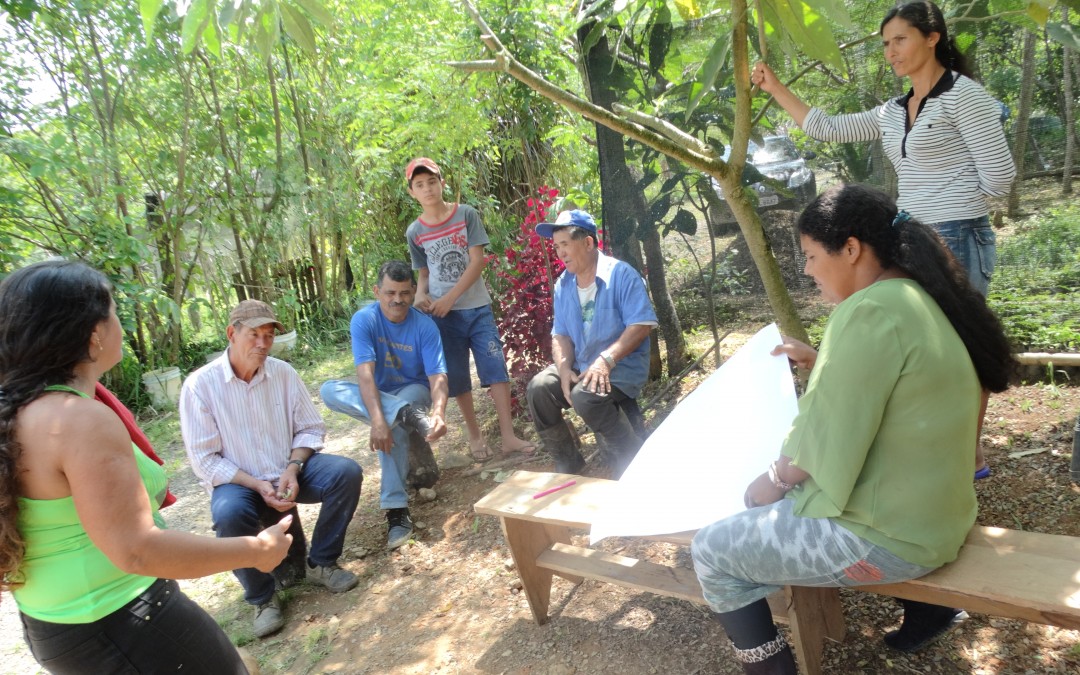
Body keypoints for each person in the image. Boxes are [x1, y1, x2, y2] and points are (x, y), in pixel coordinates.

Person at [690, 185, 1014, 674]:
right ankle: (928, 615)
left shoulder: (868, 310)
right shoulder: (919, 298)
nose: (807, 271)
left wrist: (772, 483)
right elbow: (902, 391)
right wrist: (822, 362)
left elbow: (822, 439)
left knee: (711, 551)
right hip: (941, 516)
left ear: (851, 249)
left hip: (892, 538)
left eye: (810, 256)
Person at [1, 260, 292, 674]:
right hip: (121, 618)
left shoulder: (23, 411)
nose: (120, 323)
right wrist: (255, 551)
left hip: (59, 623)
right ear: (94, 334)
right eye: (115, 311)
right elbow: (137, 550)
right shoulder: (77, 420)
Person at [180, 299, 363, 639]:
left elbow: (310, 428)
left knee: (346, 473)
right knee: (228, 514)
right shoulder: (199, 386)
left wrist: (292, 468)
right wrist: (256, 484)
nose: (263, 344)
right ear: (231, 334)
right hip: (239, 481)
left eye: (268, 335)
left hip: (288, 469)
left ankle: (321, 562)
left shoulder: (283, 373)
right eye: (254, 335)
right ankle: (263, 598)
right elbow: (205, 459)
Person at [404, 157, 534, 461]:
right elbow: (423, 274)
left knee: (495, 369)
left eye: (432, 182)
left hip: (477, 308)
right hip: (442, 317)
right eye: (419, 185)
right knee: (458, 378)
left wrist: (451, 297)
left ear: (442, 183)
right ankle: (475, 438)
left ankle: (508, 436)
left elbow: (478, 261)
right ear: (412, 192)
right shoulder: (414, 232)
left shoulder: (465, 215)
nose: (427, 189)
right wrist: (421, 296)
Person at [319, 261, 449, 551]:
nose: (398, 300)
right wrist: (379, 419)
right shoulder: (364, 320)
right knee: (328, 390)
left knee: (398, 425)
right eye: (390, 292)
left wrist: (438, 411)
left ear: (413, 291)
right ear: (377, 291)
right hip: (380, 394)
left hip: (414, 390)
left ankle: (396, 511)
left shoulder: (424, 326)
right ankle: (402, 413)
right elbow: (364, 375)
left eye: (404, 293)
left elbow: (437, 376)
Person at [526, 209, 658, 478]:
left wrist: (605, 360)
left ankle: (633, 460)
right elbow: (560, 334)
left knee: (585, 396)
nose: (560, 253)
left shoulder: (622, 274)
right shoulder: (563, 284)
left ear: (587, 242)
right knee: (539, 389)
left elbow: (641, 325)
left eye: (565, 244)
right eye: (556, 246)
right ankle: (569, 462)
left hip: (621, 365)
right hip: (583, 362)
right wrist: (563, 369)